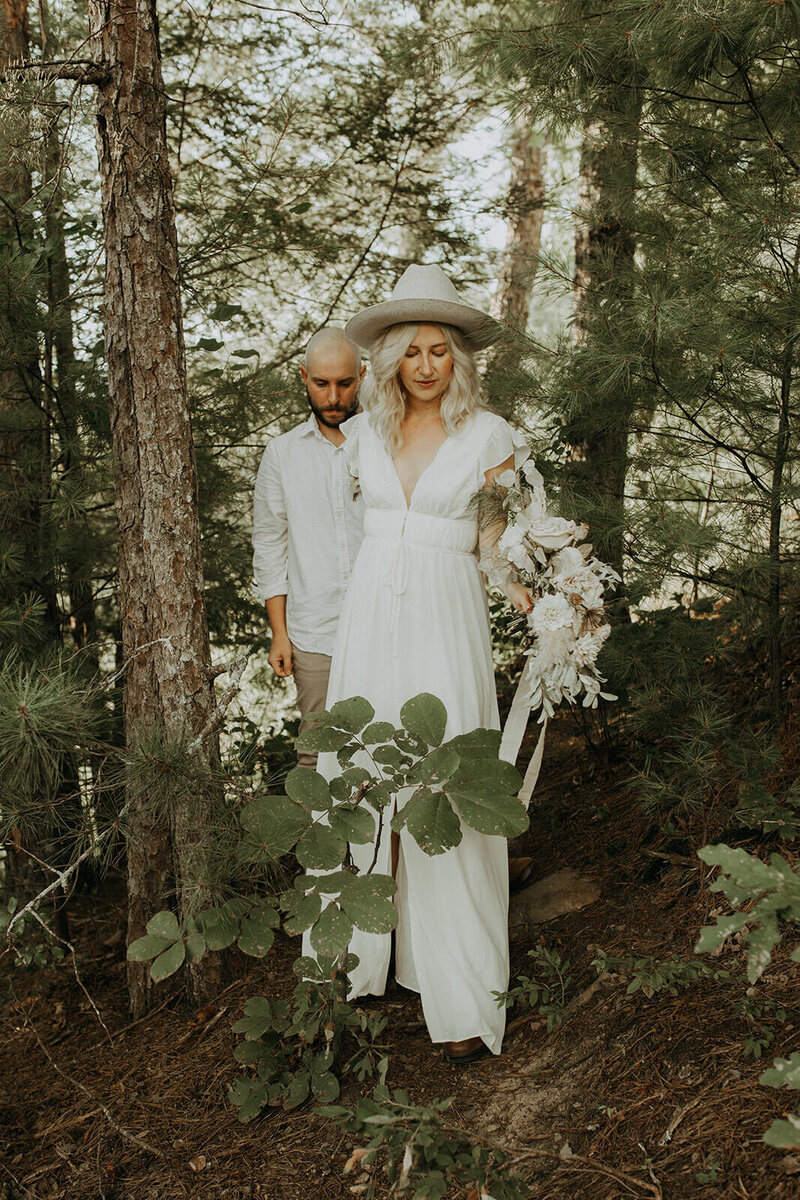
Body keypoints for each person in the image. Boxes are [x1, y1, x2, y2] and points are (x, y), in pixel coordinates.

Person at [304, 265, 533, 1062]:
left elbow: (503, 540)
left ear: (458, 359)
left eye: (442, 350)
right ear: (392, 359)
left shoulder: (490, 435)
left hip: (446, 614)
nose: (428, 364)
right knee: (362, 772)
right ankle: (347, 967)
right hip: (372, 615)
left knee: (448, 784)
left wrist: (541, 600)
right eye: (414, 351)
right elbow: (343, 541)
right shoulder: (363, 434)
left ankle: (464, 993)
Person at [252, 328, 366, 767]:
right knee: (317, 757)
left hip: (381, 623)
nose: (333, 396)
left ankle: (382, 840)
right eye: (321, 384)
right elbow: (270, 545)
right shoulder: (281, 454)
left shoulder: (384, 442)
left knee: (387, 750)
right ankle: (318, 838)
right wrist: (279, 632)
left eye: (344, 383)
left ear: (362, 376)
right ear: (304, 377)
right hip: (313, 631)